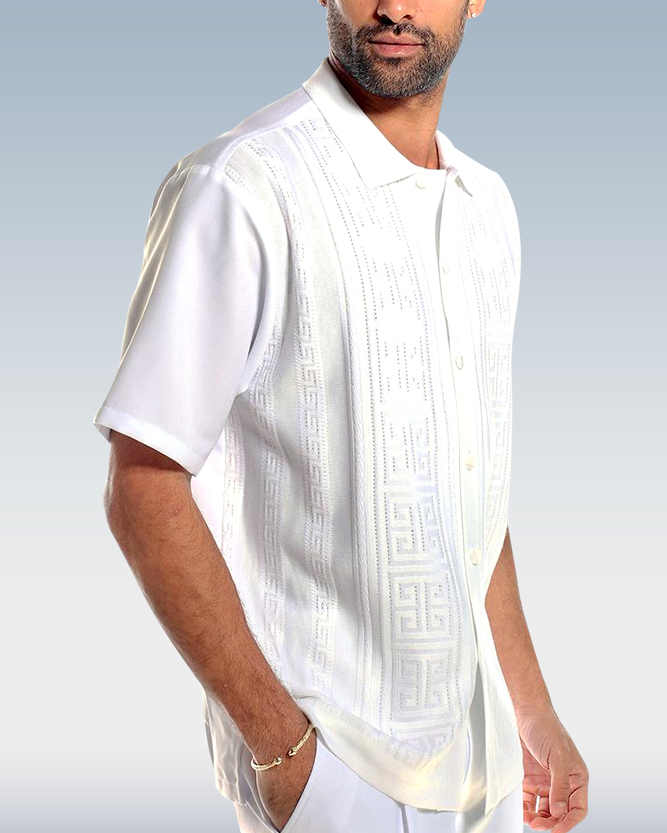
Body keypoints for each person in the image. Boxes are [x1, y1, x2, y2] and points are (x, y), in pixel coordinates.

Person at [93, 1, 589, 832]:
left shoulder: (487, 206)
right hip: (340, 774)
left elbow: (471, 496)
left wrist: (531, 712)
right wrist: (286, 756)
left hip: (489, 767)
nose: (393, 7)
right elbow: (142, 487)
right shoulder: (242, 185)